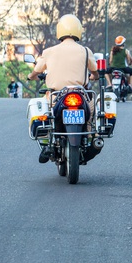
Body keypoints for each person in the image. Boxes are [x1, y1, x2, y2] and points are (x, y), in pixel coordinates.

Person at [27, 14, 99, 163]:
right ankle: (92, 137)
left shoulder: (48, 52)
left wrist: (31, 76)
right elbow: (95, 71)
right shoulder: (85, 51)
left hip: (56, 96)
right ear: (79, 31)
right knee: (92, 113)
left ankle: (46, 143)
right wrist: (95, 76)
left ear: (59, 31)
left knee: (45, 114)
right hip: (81, 95)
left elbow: (37, 70)